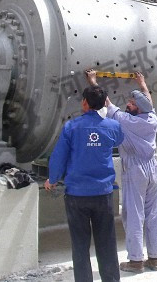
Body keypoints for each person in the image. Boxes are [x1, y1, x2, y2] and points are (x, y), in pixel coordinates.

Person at [85, 69, 157, 273]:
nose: (128, 104)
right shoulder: (152, 118)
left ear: (138, 108)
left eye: (132, 103)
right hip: (153, 169)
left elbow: (105, 102)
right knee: (153, 213)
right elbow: (149, 102)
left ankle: (136, 261)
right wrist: (142, 83)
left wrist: (93, 81)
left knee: (133, 214)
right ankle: (154, 259)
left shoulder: (127, 121)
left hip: (136, 170)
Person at [44, 85, 124, 282]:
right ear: (104, 104)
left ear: (85, 103)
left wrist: (52, 180)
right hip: (103, 194)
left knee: (80, 245)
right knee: (106, 242)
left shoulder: (71, 127)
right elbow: (118, 140)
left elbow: (59, 157)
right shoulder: (113, 126)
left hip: (77, 195)